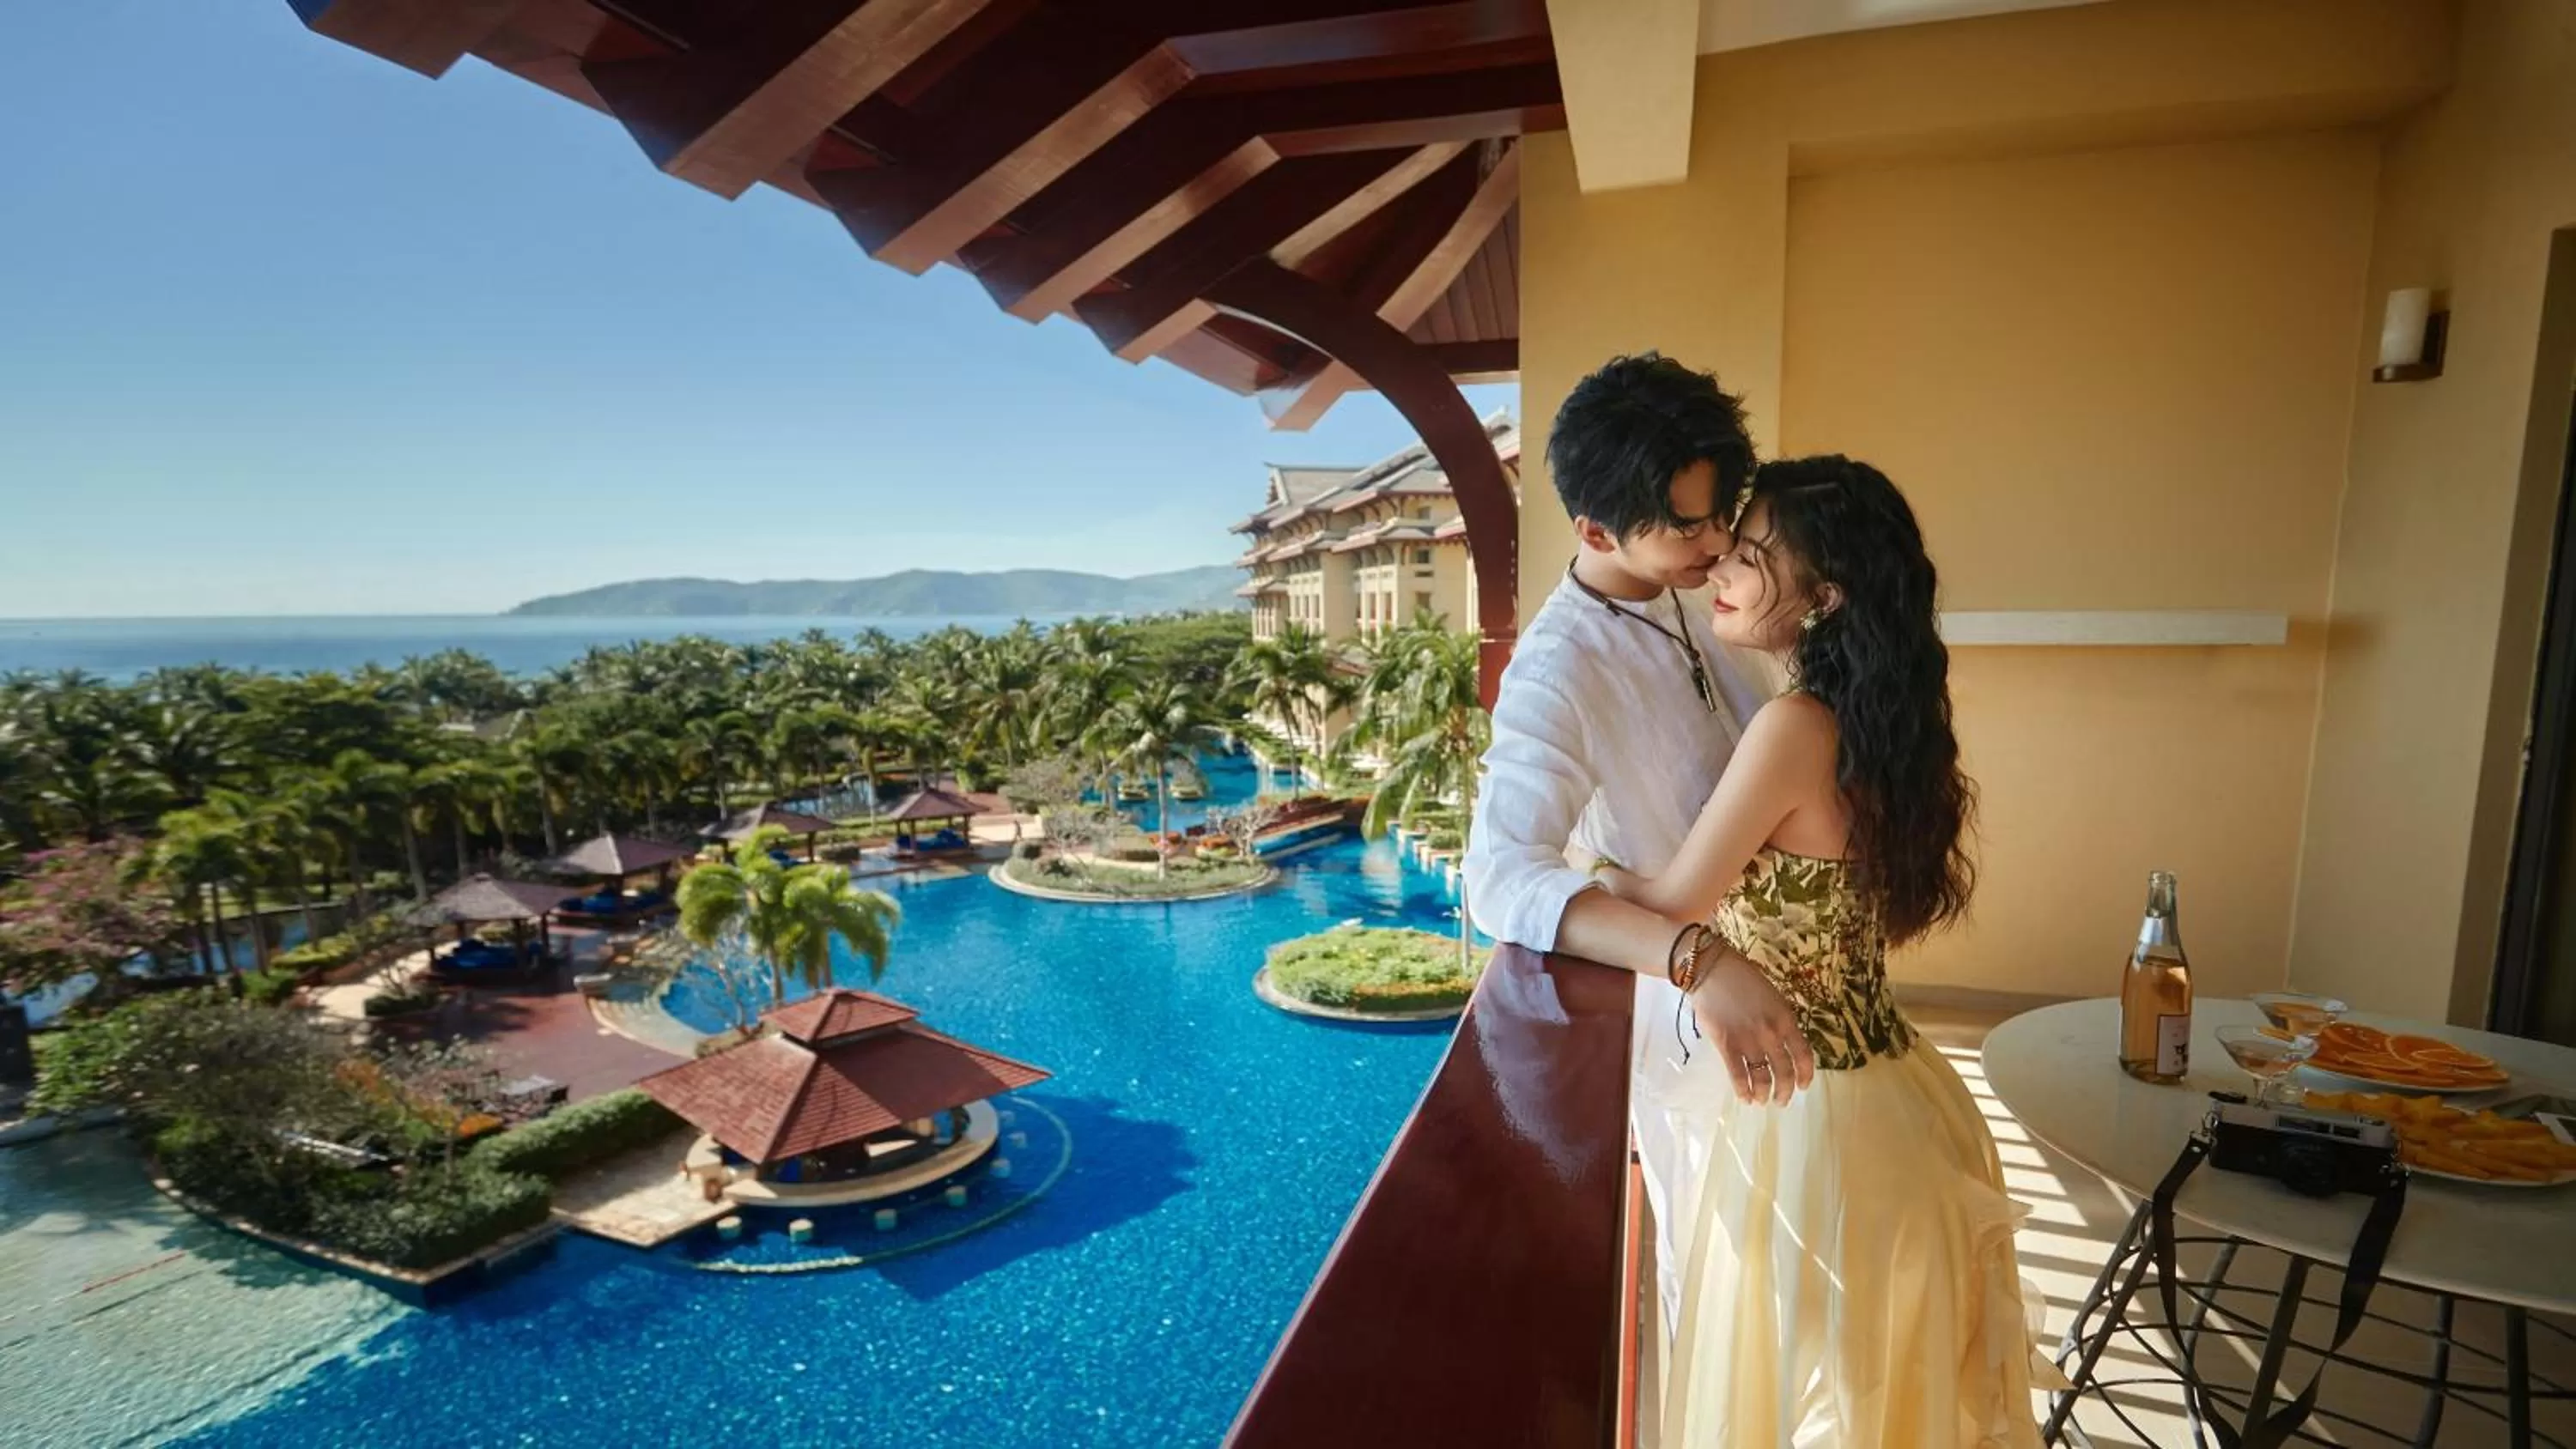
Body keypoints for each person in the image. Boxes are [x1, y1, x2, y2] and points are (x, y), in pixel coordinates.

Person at [1598, 454, 2047, 1446]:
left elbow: (1677, 902)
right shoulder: (1886, 726)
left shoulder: (1793, 725)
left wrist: (1576, 871)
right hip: (1904, 1095)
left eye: (1750, 555)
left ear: (1825, 594)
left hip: (1817, 1124)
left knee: (1808, 1399)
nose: (1720, 564)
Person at [1462, 353, 1818, 1340]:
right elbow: (1498, 873)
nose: (1721, 542)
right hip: (1713, 1036)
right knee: (1744, 1313)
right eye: (1691, 524)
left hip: (1819, 979)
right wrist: (1693, 956)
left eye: (1725, 512)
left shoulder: (1718, 582)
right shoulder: (1559, 666)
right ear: (1595, 530)